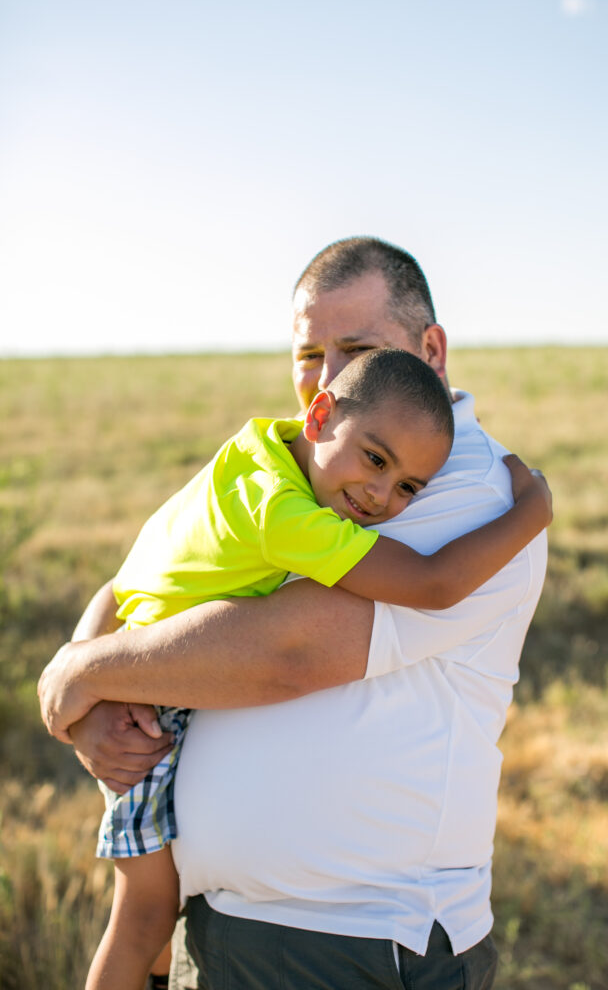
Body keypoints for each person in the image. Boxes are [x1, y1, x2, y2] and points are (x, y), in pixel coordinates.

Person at [39, 236, 550, 990]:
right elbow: (141, 577)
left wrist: (85, 673)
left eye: (355, 347)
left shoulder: (460, 490)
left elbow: (288, 652)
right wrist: (81, 686)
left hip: (350, 938)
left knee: (137, 911)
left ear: (430, 349)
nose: (330, 376)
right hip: (240, 927)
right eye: (308, 355)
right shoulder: (287, 472)